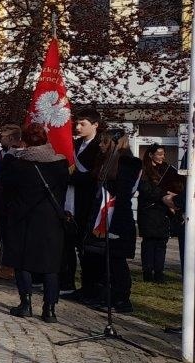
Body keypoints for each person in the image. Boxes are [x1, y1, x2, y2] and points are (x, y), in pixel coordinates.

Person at [0, 123, 70, 321]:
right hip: (52, 221)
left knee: (23, 263)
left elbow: (2, 180)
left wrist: (11, 154)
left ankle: (26, 304)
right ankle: (50, 310)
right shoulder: (61, 164)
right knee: (50, 266)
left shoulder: (19, 164)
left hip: (24, 219)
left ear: (25, 142)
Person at [83, 128, 142, 314]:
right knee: (104, 259)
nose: (100, 145)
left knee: (117, 261)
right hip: (103, 215)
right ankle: (105, 295)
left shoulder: (129, 162)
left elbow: (123, 192)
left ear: (116, 143)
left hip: (118, 218)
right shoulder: (106, 162)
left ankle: (122, 299)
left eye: (104, 141)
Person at [65, 106, 102, 301]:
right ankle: (70, 282)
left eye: (82, 124)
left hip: (88, 203)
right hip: (70, 201)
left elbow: (94, 177)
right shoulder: (75, 145)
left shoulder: (100, 147)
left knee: (87, 248)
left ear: (95, 125)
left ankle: (91, 288)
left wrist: (73, 177)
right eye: (76, 123)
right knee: (70, 245)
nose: (78, 127)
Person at [137, 144, 177, 284]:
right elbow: (145, 190)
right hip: (149, 211)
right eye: (159, 154)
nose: (162, 157)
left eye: (163, 154)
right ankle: (147, 273)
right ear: (151, 155)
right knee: (149, 243)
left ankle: (159, 273)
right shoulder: (143, 170)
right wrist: (164, 194)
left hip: (163, 212)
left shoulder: (167, 169)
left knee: (161, 243)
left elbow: (175, 184)